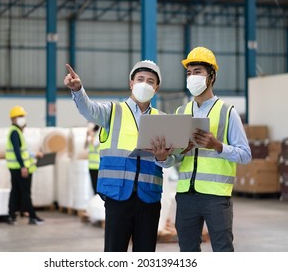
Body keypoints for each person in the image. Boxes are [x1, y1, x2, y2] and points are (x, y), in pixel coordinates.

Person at [151, 46, 252, 252]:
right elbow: (174, 159)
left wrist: (218, 146)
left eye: (197, 72)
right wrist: (163, 158)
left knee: (222, 249)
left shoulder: (227, 112)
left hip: (216, 196)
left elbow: (245, 155)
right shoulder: (181, 111)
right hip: (186, 194)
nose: (192, 77)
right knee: (187, 250)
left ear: (211, 77)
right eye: (189, 73)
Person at [64, 60, 164, 252]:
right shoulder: (112, 111)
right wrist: (78, 90)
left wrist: (162, 157)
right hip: (118, 197)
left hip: (149, 197)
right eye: (140, 79)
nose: (145, 84)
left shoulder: (162, 119)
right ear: (131, 83)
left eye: (151, 81)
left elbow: (170, 159)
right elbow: (89, 109)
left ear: (156, 87)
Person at [6, 105, 44, 225]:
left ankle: (12, 215)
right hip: (18, 168)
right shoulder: (15, 133)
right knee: (25, 192)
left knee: (16, 191)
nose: (23, 118)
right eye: (20, 116)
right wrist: (23, 166)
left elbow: (24, 151)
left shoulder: (17, 132)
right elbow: (17, 152)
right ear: (13, 119)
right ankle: (32, 216)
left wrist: (34, 155)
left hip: (16, 167)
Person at [85, 122, 100, 194]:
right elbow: (85, 146)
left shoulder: (98, 134)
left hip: (98, 166)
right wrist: (88, 135)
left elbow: (95, 144)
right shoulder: (90, 136)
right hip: (91, 165)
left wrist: (91, 134)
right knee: (94, 188)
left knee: (98, 189)